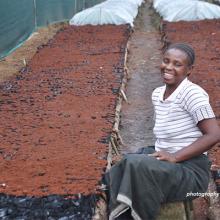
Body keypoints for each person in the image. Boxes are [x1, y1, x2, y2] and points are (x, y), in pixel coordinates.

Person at [104, 43, 220, 220]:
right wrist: (169, 156)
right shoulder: (158, 94)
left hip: (190, 171)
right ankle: (108, 199)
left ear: (189, 70)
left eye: (177, 64)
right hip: (170, 164)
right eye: (166, 61)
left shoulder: (193, 95)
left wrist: (175, 156)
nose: (169, 67)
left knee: (137, 164)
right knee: (128, 160)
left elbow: (214, 135)